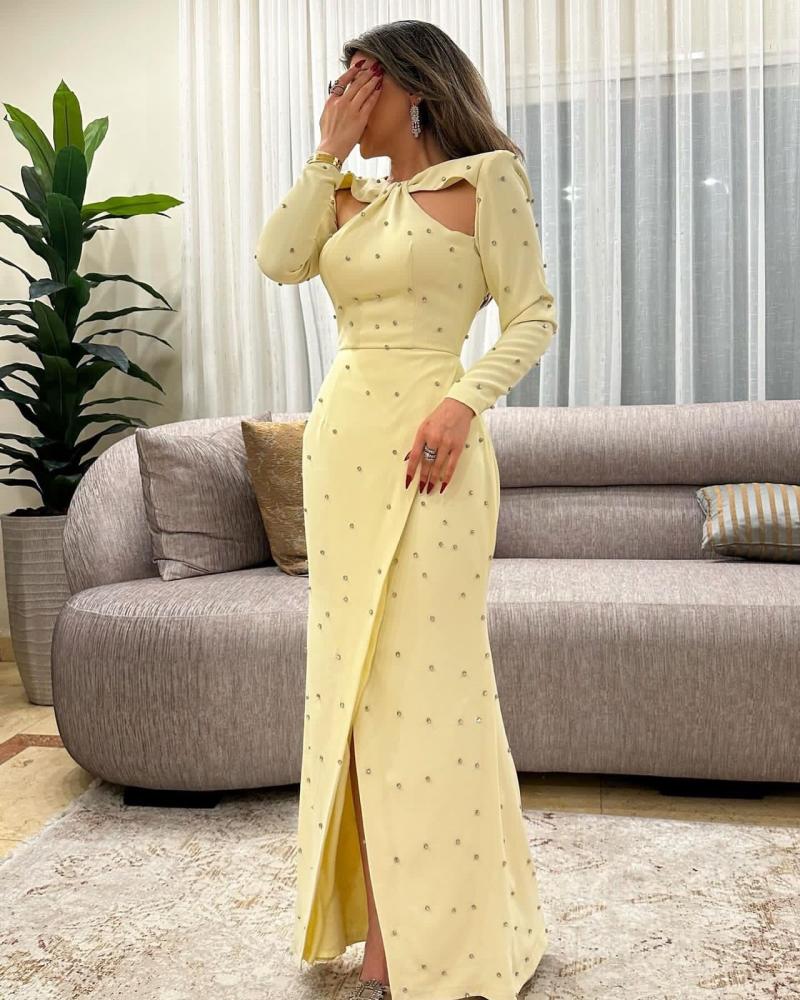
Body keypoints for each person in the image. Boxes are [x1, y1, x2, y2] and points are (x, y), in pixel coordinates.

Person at [255, 19, 557, 1000]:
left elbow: (533, 315)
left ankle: (448, 934)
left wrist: (462, 401)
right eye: (336, 81)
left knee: (433, 690)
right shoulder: (343, 194)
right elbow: (277, 260)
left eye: (360, 80)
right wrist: (324, 152)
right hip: (343, 448)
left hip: (437, 454)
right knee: (350, 690)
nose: (341, 94)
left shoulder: (488, 181)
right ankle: (382, 934)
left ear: (414, 90)